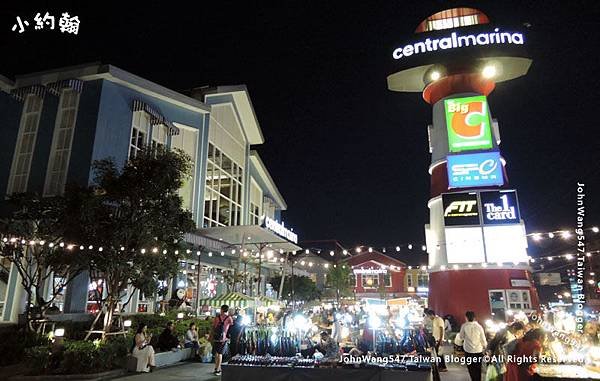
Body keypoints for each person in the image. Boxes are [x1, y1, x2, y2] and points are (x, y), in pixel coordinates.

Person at [457, 311, 487, 381]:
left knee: (471, 368)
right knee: (478, 368)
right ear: (474, 318)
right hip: (478, 350)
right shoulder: (479, 326)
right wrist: (485, 347)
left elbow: (461, 337)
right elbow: (483, 339)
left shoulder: (464, 326)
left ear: (466, 317)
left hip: (468, 350)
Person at [212, 304, 234, 376]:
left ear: (221, 309)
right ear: (227, 310)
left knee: (216, 353)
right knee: (220, 353)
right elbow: (231, 327)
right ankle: (218, 369)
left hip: (216, 338)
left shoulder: (217, 318)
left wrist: (210, 336)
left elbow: (213, 327)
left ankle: (216, 367)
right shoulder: (229, 318)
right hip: (223, 338)